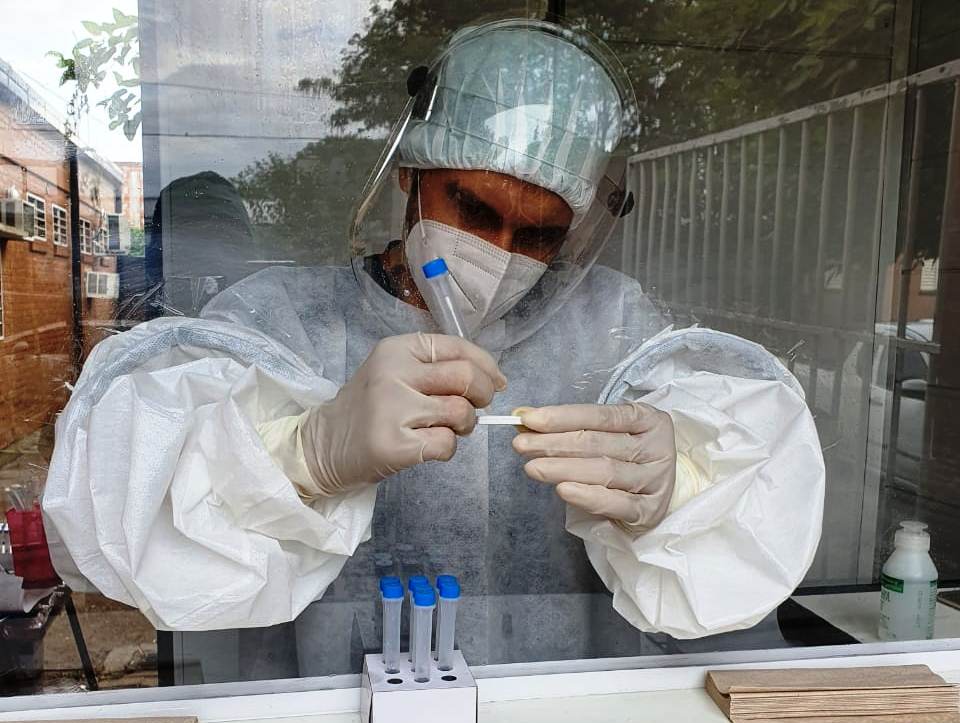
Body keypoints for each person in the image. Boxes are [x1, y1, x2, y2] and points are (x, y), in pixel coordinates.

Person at [43, 18, 824, 678]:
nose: (503, 253)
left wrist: (683, 473)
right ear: (409, 176)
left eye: (539, 234)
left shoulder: (612, 326)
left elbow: (755, 473)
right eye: (474, 210)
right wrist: (300, 451)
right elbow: (114, 493)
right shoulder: (285, 320)